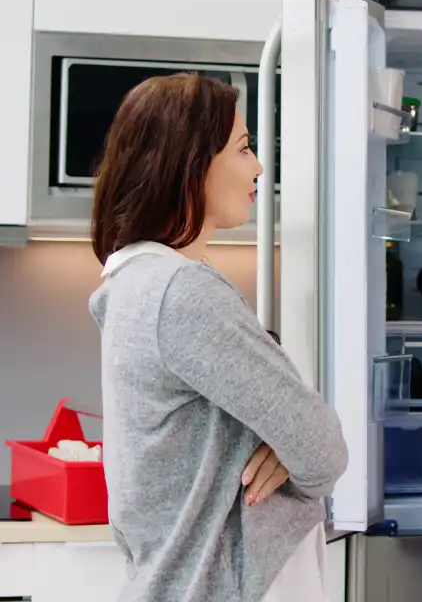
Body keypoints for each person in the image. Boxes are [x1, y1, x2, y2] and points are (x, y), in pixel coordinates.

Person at [89, 73, 348, 602]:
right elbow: (323, 452)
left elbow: (299, 442)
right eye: (244, 148)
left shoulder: (137, 281)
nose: (257, 167)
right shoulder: (182, 293)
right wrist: (293, 443)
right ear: (190, 164)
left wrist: (286, 441)